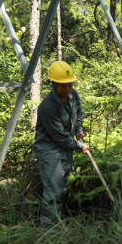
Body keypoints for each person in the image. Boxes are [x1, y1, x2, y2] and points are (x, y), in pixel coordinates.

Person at [34, 61, 90, 228]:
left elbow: (78, 111)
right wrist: (80, 146)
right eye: (63, 85)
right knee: (53, 192)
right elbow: (59, 136)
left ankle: (61, 223)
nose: (67, 88)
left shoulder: (73, 95)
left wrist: (79, 129)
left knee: (65, 188)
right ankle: (49, 231)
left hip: (66, 150)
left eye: (69, 84)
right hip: (51, 153)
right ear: (53, 84)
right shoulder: (48, 107)